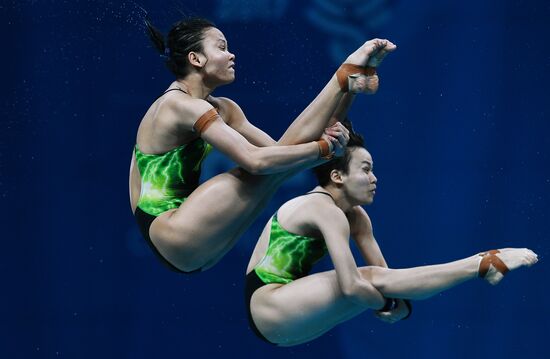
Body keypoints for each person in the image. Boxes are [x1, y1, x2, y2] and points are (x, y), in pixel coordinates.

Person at [128, 16, 398, 273]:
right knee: (266, 170)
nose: (232, 55)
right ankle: (343, 76)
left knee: (282, 165)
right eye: (222, 47)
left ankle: (346, 81)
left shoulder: (224, 108)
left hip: (195, 248)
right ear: (195, 58)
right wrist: (324, 149)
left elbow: (282, 153)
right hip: (172, 232)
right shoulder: (178, 105)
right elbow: (256, 161)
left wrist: (345, 101)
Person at [244, 122, 538, 346]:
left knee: (372, 280)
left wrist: (401, 306)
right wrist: (388, 305)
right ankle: (480, 264)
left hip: (289, 324)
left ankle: (482, 266)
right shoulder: (323, 208)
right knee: (365, 280)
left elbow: (389, 277)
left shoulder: (356, 217)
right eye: (366, 170)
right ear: (337, 176)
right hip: (269, 306)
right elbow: (352, 286)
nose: (374, 178)